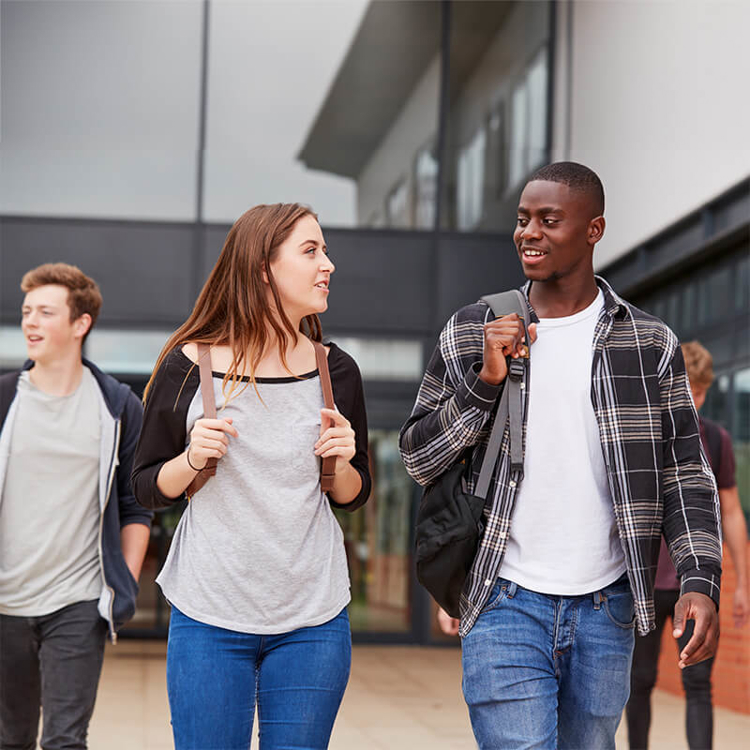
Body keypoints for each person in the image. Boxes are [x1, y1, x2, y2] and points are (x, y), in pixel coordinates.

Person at [400, 162, 722, 749]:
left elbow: (686, 475)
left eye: (549, 221)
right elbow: (418, 458)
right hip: (503, 597)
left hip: (610, 608)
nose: (529, 233)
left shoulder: (648, 344)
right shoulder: (475, 328)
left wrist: (700, 578)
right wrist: (484, 383)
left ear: (594, 229)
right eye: (523, 220)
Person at [131, 203, 371, 750]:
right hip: (209, 614)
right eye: (311, 251)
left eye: (325, 250)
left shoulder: (337, 371)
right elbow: (146, 485)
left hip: (313, 618)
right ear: (263, 267)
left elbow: (355, 495)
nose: (327, 264)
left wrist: (340, 462)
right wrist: (191, 459)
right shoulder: (189, 366)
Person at [0, 263, 153, 750]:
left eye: (45, 312)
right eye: (27, 312)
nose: (31, 323)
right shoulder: (4, 399)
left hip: (77, 603)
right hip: (4, 603)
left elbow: (136, 506)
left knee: (65, 740)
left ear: (80, 323)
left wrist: (120, 589)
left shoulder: (118, 406)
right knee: (11, 737)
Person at [626, 340, 748, 749]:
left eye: (698, 393)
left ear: (706, 391)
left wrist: (742, 584)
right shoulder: (642, 434)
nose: (691, 401)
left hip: (692, 585)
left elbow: (730, 512)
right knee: (639, 681)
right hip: (642, 582)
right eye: (686, 390)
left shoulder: (715, 440)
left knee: (698, 683)